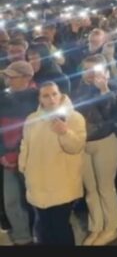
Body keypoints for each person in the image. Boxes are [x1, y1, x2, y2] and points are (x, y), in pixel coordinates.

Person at [19, 82, 86, 245]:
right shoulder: (32, 119)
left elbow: (76, 146)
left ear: (60, 94)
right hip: (37, 184)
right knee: (43, 227)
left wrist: (64, 132)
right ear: (40, 99)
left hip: (62, 183)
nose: (51, 99)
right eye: (46, 95)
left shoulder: (74, 118)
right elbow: (25, 145)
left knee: (60, 228)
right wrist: (24, 167)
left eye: (54, 94)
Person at [72, 55, 117, 246]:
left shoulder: (112, 87)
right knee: (90, 189)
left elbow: (111, 112)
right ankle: (97, 227)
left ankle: (112, 228)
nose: (90, 74)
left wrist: (104, 90)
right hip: (83, 142)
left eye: (95, 69)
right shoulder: (77, 88)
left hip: (105, 141)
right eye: (87, 69)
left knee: (105, 187)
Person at [0, 62, 38, 246]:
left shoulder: (37, 98)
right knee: (11, 201)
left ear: (26, 78)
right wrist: (2, 154)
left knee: (32, 199)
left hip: (30, 159)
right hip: (7, 159)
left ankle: (36, 233)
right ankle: (23, 237)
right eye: (7, 76)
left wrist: (18, 153)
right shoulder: (2, 97)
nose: (7, 80)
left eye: (12, 76)